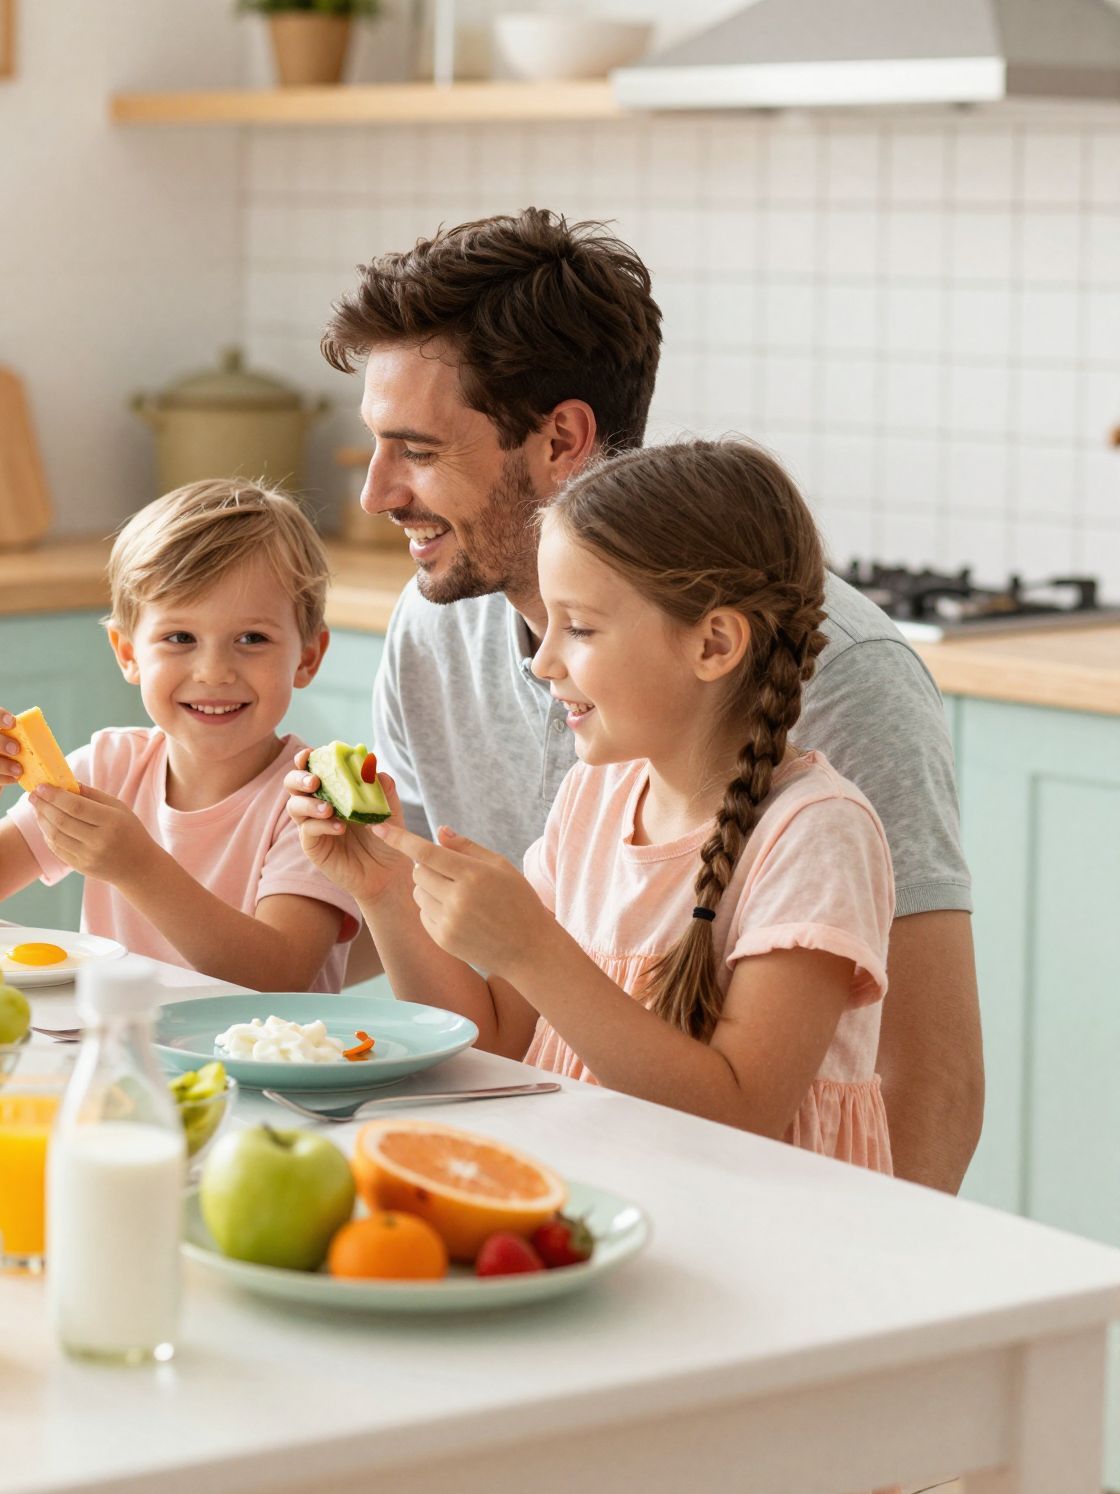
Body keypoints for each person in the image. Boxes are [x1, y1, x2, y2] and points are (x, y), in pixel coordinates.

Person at [296, 209, 980, 1195]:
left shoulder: (831, 673)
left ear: (559, 440)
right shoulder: (435, 628)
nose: (372, 496)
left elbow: (928, 1077)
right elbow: (496, 1014)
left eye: (417, 449)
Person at [297, 438, 896, 1494]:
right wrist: (386, 889)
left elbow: (741, 1111)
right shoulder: (590, 808)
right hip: (613, 1259)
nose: (538, 664)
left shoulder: (813, 833)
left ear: (712, 642)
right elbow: (493, 1035)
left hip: (756, 1293)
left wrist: (531, 948)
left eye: (577, 629)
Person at [0, 477, 360, 992]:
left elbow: (279, 975)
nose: (214, 671)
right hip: (125, 1055)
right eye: (180, 638)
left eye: (252, 638)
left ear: (307, 658)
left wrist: (138, 867)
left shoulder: (317, 803)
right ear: (128, 654)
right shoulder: (107, 768)